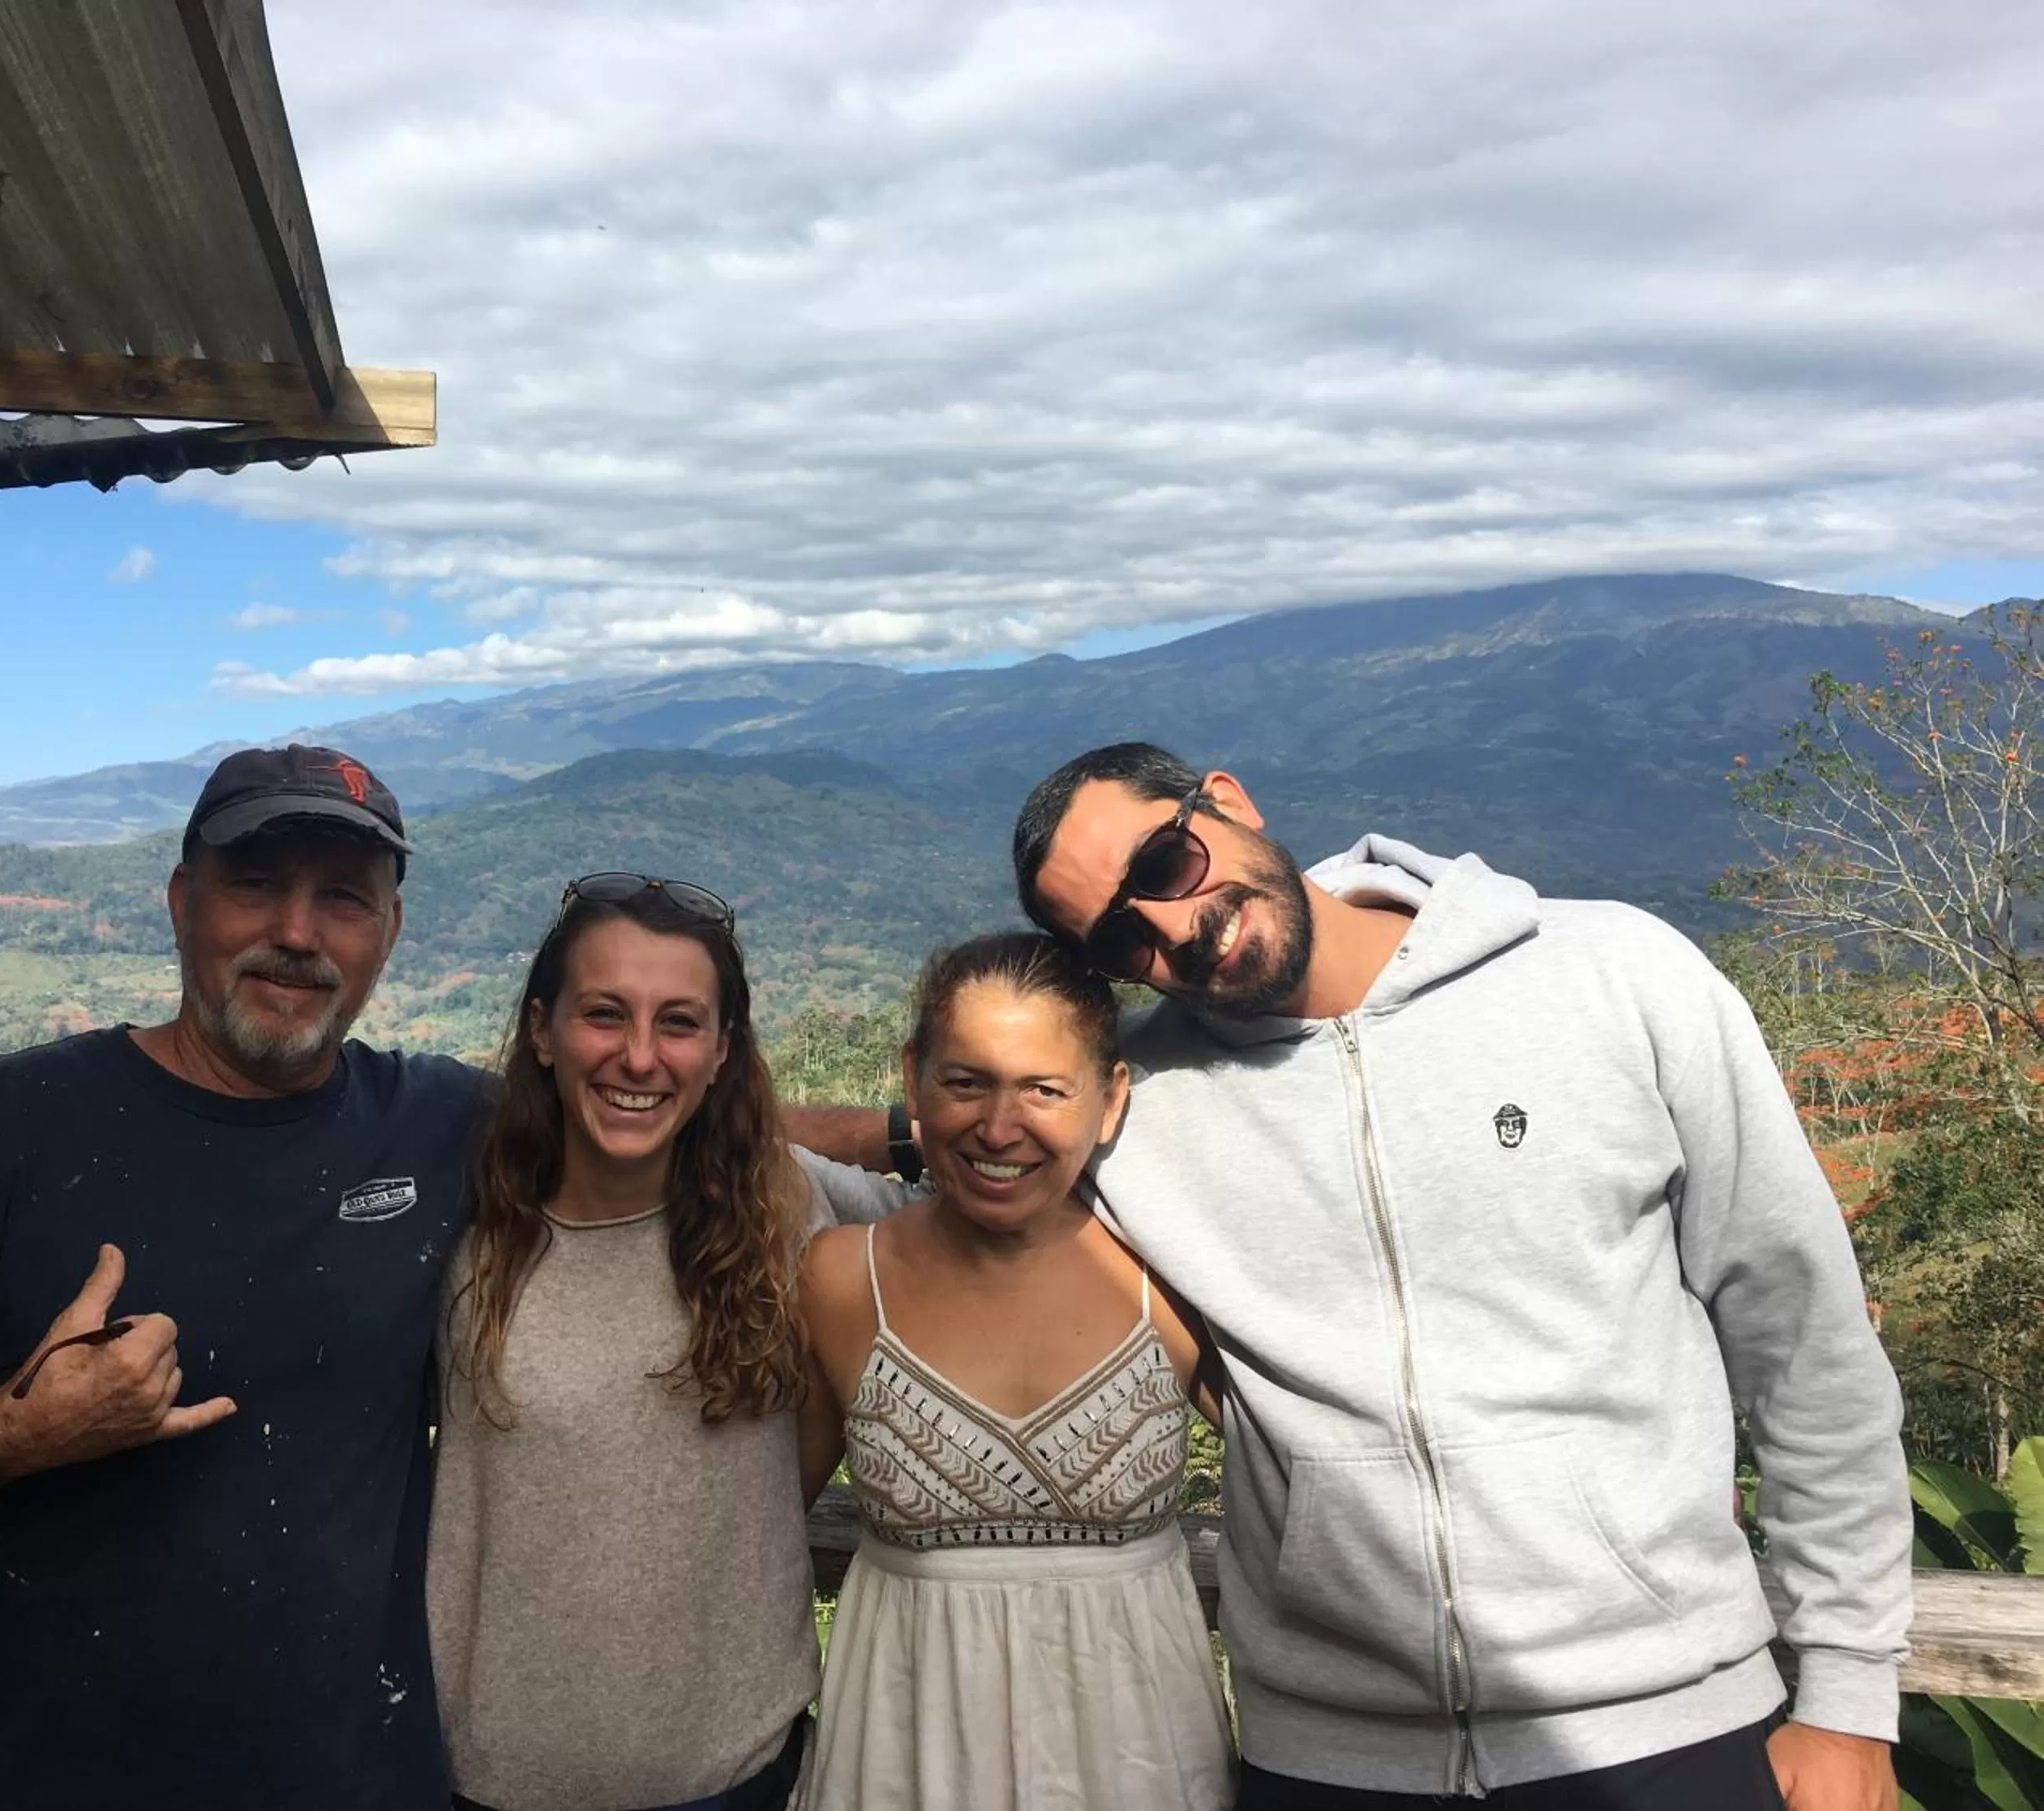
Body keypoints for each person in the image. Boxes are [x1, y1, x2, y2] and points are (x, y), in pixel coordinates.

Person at [789, 742, 1911, 1811]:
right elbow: (986, 1173)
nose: (1175, 927)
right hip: (1329, 1755)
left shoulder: (1614, 974)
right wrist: (731, 1128)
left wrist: (1851, 1697)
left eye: (1164, 865)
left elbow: (1802, 1335)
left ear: (1227, 799)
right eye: (1124, 938)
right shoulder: (1147, 1103)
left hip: (1666, 1719)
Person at [0, 745, 483, 1811]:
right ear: (183, 902)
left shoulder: (442, 1124)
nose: (297, 933)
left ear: (391, 933)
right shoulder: (5, 1129)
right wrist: (2, 1437)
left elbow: (649, 1114)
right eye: (258, 884)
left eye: (344, 899)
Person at [798, 933, 1234, 1811]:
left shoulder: (1180, 1279)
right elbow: (753, 1522)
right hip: (900, 1754)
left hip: (1142, 1755)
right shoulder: (843, 1280)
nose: (1000, 1129)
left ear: (1110, 1100)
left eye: (1045, 1089)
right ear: (914, 1076)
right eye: (966, 1082)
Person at [427, 873, 831, 1811]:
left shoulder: (792, 1211)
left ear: (724, 1050)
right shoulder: (460, 1238)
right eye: (605, 1015)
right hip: (491, 1777)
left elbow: (969, 1235)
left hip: (738, 1772)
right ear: (542, 1030)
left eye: (680, 1023)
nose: (639, 1057)